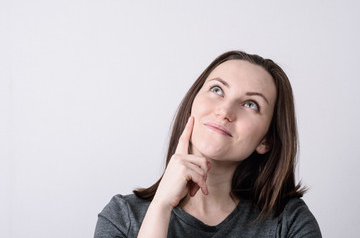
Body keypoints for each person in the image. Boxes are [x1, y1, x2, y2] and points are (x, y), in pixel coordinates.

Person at [94, 50, 322, 237]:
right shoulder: (122, 218)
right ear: (192, 102)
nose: (225, 111)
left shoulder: (289, 223)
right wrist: (160, 208)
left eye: (251, 104)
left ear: (266, 140)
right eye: (217, 90)